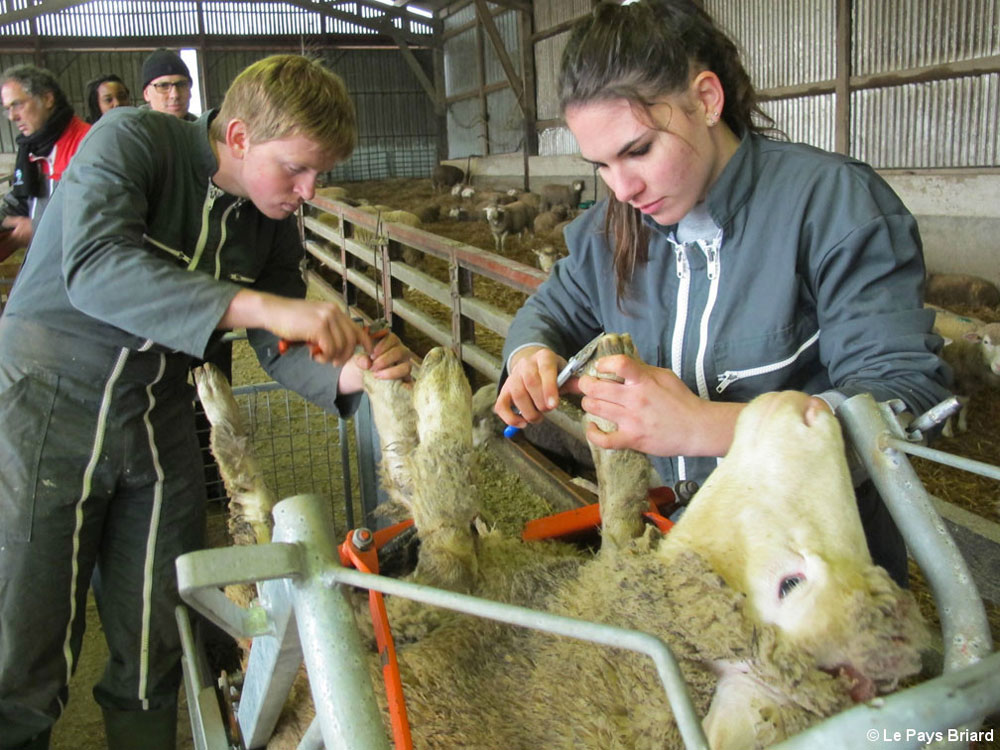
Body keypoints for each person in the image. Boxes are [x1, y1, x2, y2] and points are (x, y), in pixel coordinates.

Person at [0, 54, 412, 750]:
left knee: (160, 620)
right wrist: (271, 309)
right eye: (297, 169)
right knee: (28, 626)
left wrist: (352, 373)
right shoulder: (134, 141)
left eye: (320, 175)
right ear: (242, 136)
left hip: (164, 415)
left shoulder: (270, 218)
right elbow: (95, 267)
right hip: (50, 401)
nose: (309, 191)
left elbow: (279, 343)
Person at [495, 0, 951, 587]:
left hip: (815, 575)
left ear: (707, 100)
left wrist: (701, 427)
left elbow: (902, 398)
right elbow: (550, 309)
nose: (623, 187)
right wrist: (530, 355)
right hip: (684, 558)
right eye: (601, 165)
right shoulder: (611, 232)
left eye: (638, 150)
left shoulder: (833, 205)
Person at [0, 64, 90, 261]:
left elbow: (99, 216)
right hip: (48, 263)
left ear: (47, 99)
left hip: (82, 267)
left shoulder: (87, 145)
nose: (12, 116)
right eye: (7, 108)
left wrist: (40, 229)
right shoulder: (32, 151)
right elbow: (20, 200)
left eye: (18, 104)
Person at [140, 48, 195, 121]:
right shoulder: (132, 130)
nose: (175, 95)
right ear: (146, 94)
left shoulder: (206, 130)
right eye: (163, 86)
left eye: (182, 85)